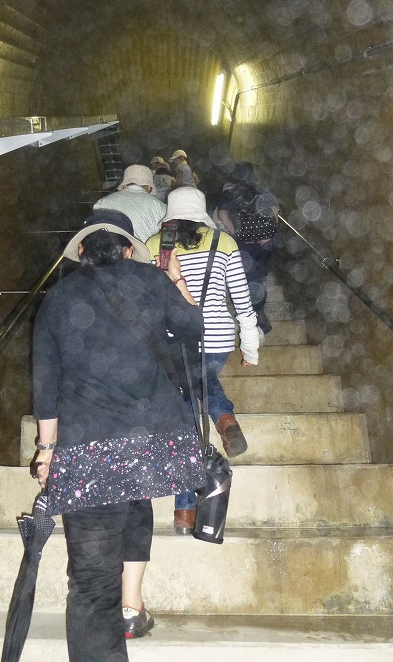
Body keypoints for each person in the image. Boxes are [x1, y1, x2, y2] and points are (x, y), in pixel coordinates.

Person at [32, 209, 205, 662]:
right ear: (129, 250)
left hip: (87, 448)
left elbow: (45, 385)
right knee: (134, 500)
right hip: (148, 444)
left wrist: (46, 449)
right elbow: (194, 328)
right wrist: (175, 278)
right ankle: (131, 603)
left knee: (91, 582)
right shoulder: (153, 281)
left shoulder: (58, 297)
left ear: (82, 251)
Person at [146, 187, 259, 535]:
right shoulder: (224, 242)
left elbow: (147, 298)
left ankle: (185, 511)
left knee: (184, 420)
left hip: (174, 338)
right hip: (217, 336)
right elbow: (241, 298)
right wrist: (250, 345)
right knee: (201, 383)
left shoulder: (156, 244)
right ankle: (223, 417)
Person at [216, 161, 279, 337]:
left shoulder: (231, 191)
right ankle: (258, 313)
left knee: (246, 279)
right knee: (260, 278)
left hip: (245, 243)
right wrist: (270, 231)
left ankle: (252, 316)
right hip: (265, 243)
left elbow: (222, 213)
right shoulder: (262, 189)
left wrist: (235, 231)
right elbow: (275, 210)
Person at [93, 164, 166, 241]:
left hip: (108, 248)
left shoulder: (102, 203)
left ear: (124, 185)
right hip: (146, 248)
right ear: (149, 187)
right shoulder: (159, 206)